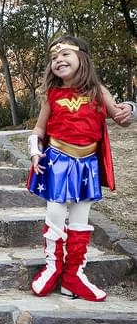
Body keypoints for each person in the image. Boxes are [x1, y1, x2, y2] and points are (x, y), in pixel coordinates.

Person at [27, 35, 135, 302]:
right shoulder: (52, 94)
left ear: (82, 58)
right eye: (54, 57)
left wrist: (130, 109)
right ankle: (53, 267)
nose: (59, 60)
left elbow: (121, 118)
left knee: (80, 219)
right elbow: (39, 129)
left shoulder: (98, 90)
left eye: (65, 54)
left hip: (87, 164)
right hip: (57, 161)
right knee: (55, 212)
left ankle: (73, 276)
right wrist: (34, 150)